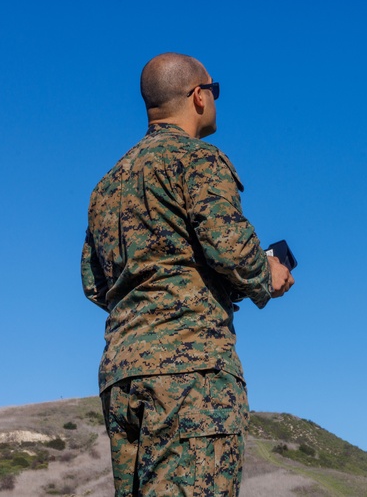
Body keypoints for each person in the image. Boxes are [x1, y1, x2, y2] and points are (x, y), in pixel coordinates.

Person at [81, 52, 294, 496]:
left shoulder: (107, 186)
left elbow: (95, 283)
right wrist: (269, 274)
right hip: (191, 372)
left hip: (122, 375)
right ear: (199, 96)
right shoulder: (198, 160)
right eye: (214, 91)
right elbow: (233, 250)